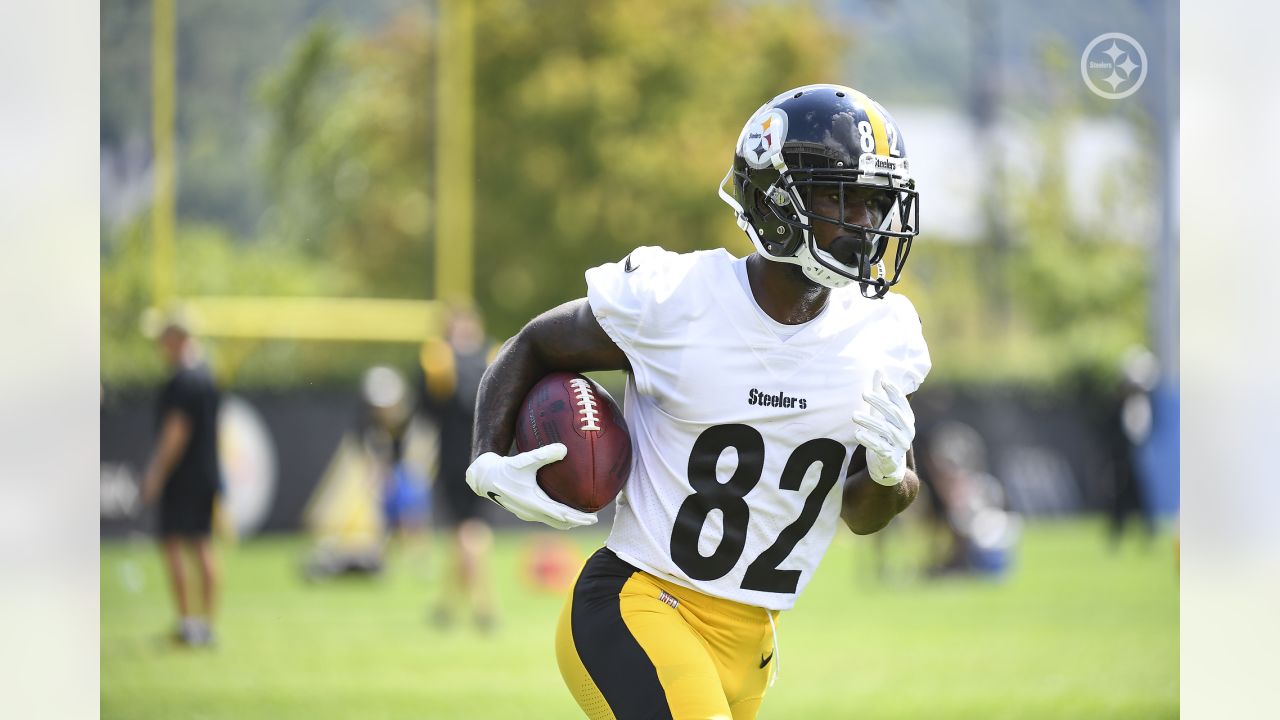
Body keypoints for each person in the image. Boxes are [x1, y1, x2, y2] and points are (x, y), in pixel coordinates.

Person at [465, 84, 930, 719]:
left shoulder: (882, 335)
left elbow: (863, 514)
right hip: (639, 605)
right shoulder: (678, 298)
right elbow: (535, 344)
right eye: (840, 196)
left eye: (877, 203)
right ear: (775, 201)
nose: (867, 224)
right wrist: (486, 461)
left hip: (752, 642)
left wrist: (889, 476)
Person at [140, 318, 222, 647]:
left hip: (182, 475)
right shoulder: (207, 376)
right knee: (202, 546)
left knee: (175, 545)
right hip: (206, 473)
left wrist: (157, 471)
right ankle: (207, 626)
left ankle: (188, 623)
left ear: (176, 340)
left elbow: (176, 431)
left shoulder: (183, 381)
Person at [418, 307, 499, 630]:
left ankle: (484, 604)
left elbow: (425, 410)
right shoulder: (494, 357)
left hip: (454, 459)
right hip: (489, 456)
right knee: (469, 534)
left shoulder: (438, 360)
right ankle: (449, 605)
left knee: (467, 532)